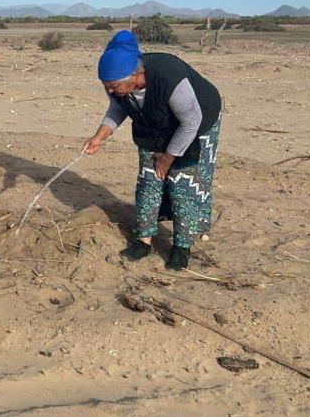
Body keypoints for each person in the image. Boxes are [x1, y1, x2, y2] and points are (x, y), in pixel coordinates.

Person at [82, 30, 222, 270]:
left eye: (114, 86)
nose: (111, 91)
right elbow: (118, 108)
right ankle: (144, 241)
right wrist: (99, 137)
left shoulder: (169, 76)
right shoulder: (118, 86)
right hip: (154, 123)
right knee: (148, 179)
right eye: (107, 87)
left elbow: (191, 121)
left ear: (136, 74)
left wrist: (168, 159)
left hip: (196, 122)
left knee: (183, 181)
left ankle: (181, 247)